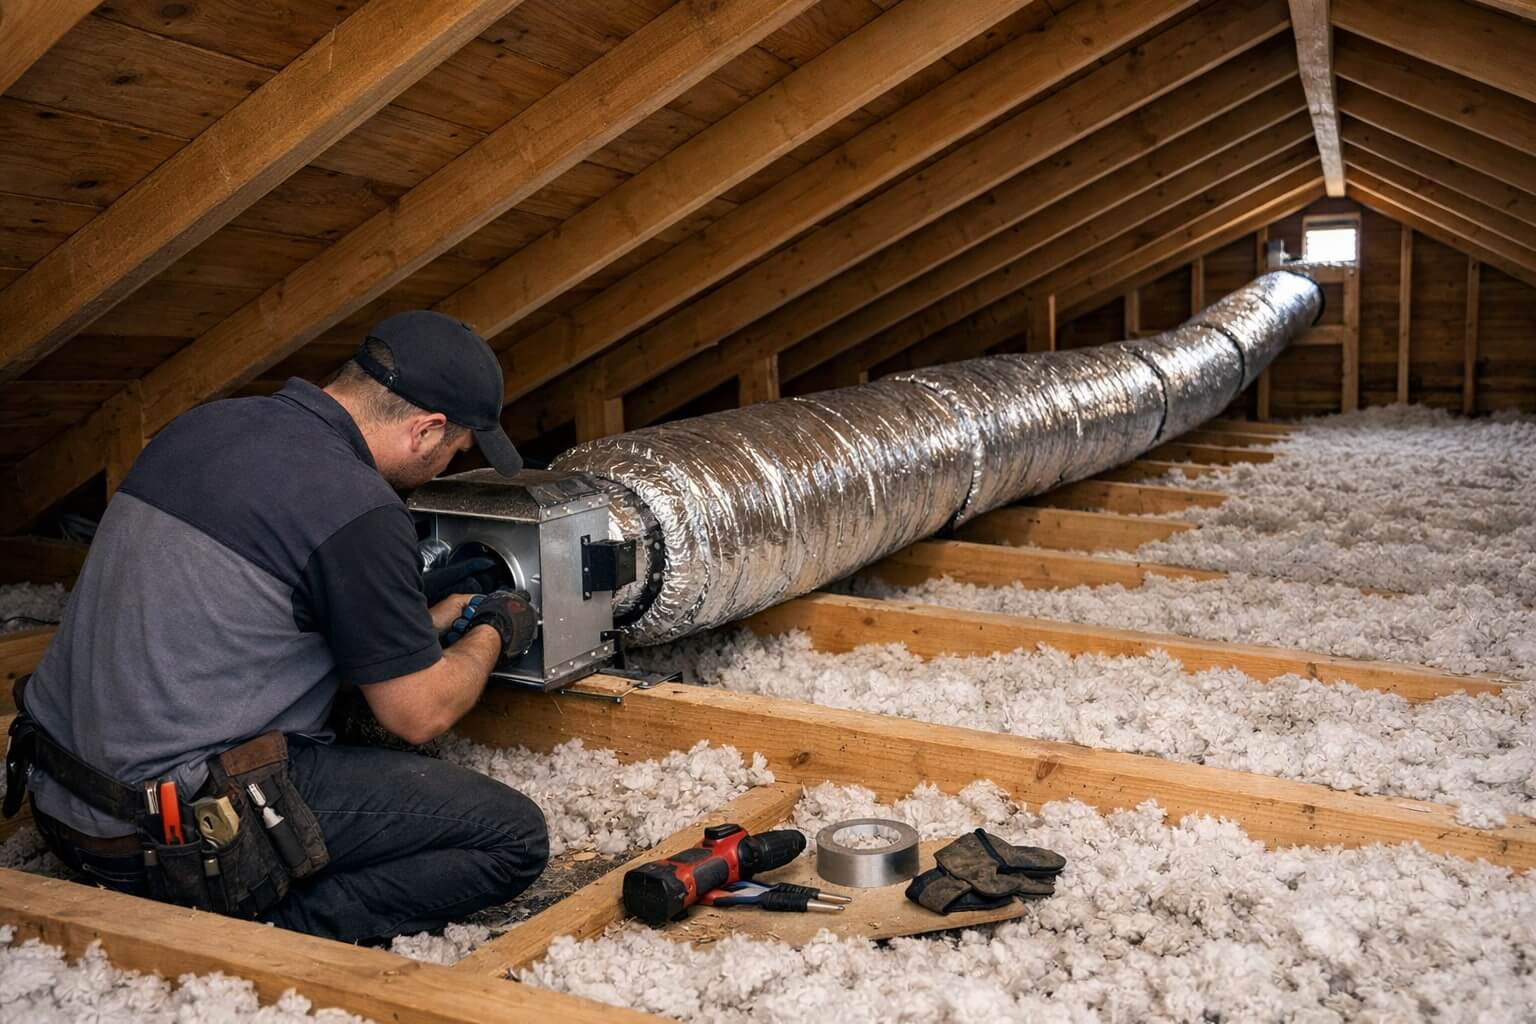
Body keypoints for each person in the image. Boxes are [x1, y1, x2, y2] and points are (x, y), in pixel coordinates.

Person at [4, 311, 548, 943]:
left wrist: (422, 623)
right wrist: (495, 633)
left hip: (62, 804)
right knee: (511, 838)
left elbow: (245, 623)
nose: (446, 461)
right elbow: (418, 712)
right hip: (167, 841)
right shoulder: (357, 506)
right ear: (426, 431)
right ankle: (275, 929)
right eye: (454, 450)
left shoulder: (205, 424)